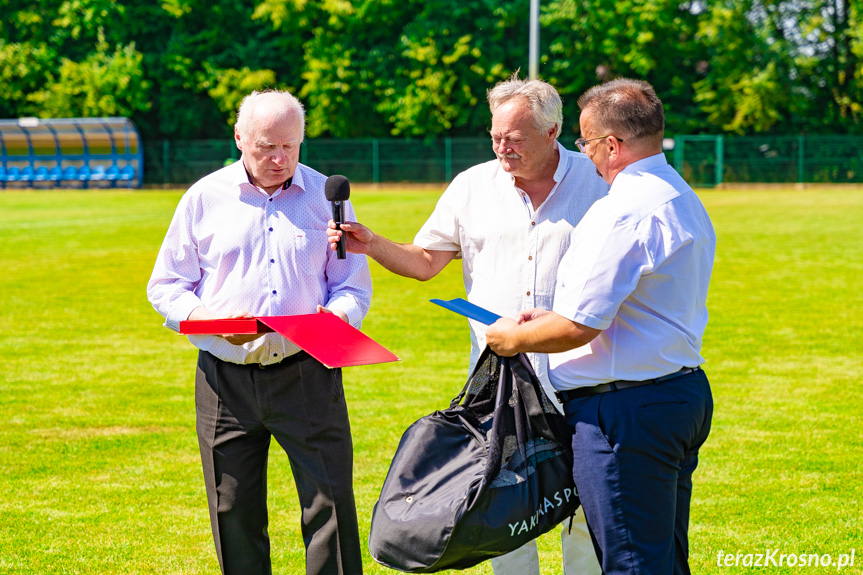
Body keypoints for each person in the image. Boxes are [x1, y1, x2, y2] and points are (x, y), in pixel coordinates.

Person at [327, 74, 607, 575]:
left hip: (584, 375)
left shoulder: (599, 183)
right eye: (496, 136)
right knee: (502, 506)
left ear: (553, 132)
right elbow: (425, 261)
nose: (503, 147)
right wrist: (372, 243)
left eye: (515, 138)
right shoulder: (472, 186)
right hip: (500, 385)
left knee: (585, 513)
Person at [485, 78, 716, 575]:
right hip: (676, 394)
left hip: (624, 411)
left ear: (612, 145)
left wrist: (512, 337)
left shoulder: (621, 211)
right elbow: (630, 304)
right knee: (663, 556)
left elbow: (579, 326)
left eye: (586, 143)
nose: (585, 154)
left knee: (630, 562)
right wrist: (547, 319)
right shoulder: (679, 194)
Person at [147, 90, 372, 575]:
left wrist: (336, 320)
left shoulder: (328, 199)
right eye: (267, 147)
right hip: (223, 379)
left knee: (330, 506)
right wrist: (202, 318)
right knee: (233, 512)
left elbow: (353, 287)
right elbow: (166, 284)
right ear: (239, 139)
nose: (279, 158)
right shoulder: (204, 198)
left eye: (290, 147)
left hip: (309, 370)